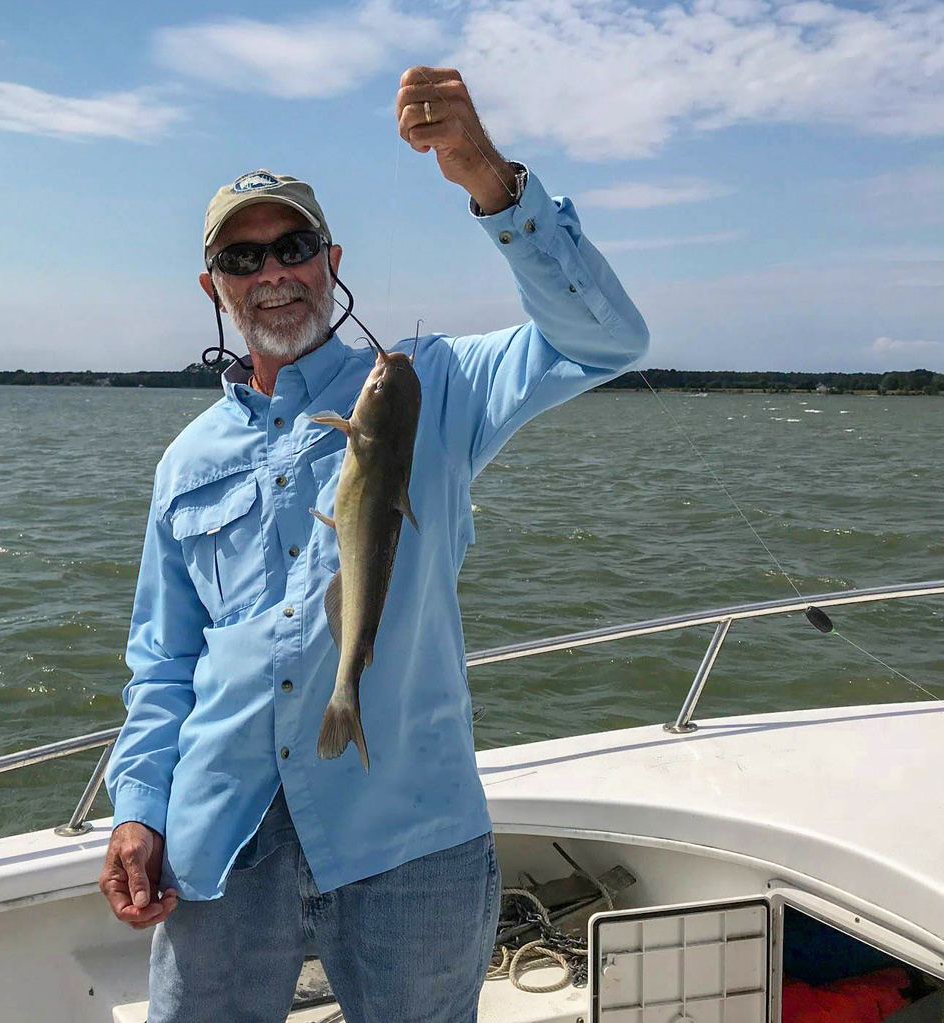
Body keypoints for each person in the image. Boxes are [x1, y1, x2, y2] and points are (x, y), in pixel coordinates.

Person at [98, 66, 650, 1022]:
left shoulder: (431, 388)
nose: (272, 272)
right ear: (213, 286)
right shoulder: (187, 459)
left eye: (294, 245)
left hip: (406, 834)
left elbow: (602, 342)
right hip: (222, 833)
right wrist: (139, 804)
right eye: (243, 260)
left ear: (331, 256)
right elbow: (163, 662)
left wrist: (489, 180)